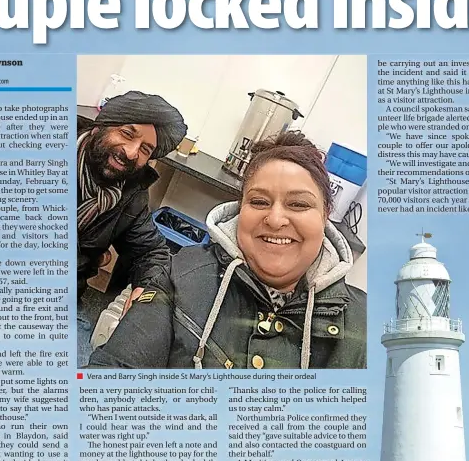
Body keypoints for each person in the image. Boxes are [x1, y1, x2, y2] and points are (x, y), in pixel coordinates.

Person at [89, 131, 366, 369]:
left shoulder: (368, 327)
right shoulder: (179, 278)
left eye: (298, 204)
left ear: (325, 214)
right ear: (239, 209)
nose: (276, 219)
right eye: (259, 201)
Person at [77, 90, 187, 302]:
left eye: (145, 149)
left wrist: (147, 287)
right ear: (99, 128)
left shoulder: (130, 193)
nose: (131, 152)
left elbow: (151, 252)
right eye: (127, 134)